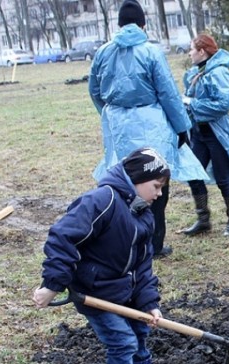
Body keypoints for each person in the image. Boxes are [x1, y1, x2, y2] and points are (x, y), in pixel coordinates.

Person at [33, 148, 176, 364]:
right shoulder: (102, 201)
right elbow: (63, 236)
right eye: (156, 187)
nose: (159, 194)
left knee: (139, 331)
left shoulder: (143, 212)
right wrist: (53, 284)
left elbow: (143, 264)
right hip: (95, 292)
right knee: (123, 342)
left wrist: (148, 301)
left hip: (127, 291)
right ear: (138, 178)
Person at [88, 0, 191, 257]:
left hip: (118, 127)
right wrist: (182, 128)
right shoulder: (151, 51)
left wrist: (110, 114)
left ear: (119, 25)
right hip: (151, 124)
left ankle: (126, 241)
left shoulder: (103, 52)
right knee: (155, 182)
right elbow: (167, 93)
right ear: (143, 25)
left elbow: (94, 90)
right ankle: (153, 244)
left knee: (123, 182)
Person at [178, 34, 229, 237]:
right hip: (199, 132)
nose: (189, 53)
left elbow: (224, 103)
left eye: (192, 49)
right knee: (194, 174)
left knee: (223, 177)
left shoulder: (218, 73)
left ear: (202, 51)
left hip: (218, 133)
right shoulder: (197, 72)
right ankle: (203, 220)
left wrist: (193, 104)